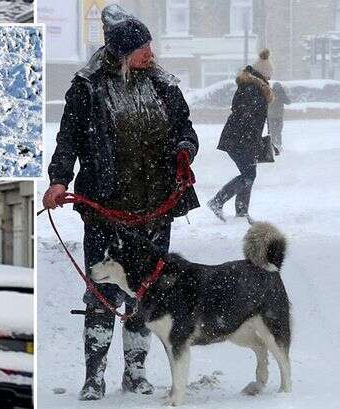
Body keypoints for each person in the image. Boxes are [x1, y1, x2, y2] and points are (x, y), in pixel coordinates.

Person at [43, 4, 199, 401]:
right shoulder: (87, 86)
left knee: (145, 292)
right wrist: (59, 180)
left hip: (156, 207)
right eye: (143, 48)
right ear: (122, 52)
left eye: (150, 44)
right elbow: (69, 140)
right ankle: (94, 376)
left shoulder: (164, 84)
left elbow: (186, 128)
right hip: (105, 210)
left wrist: (184, 149)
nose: (151, 53)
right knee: (103, 291)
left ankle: (135, 372)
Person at [208, 49, 275, 224]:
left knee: (249, 174)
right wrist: (250, 135)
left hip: (244, 139)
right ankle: (218, 201)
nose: (269, 80)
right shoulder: (251, 87)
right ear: (263, 75)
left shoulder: (254, 87)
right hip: (239, 139)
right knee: (248, 175)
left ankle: (242, 212)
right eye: (268, 77)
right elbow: (243, 112)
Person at [268, 81, 291, 154]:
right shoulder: (281, 93)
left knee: (273, 131)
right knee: (277, 131)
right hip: (278, 116)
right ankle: (277, 145)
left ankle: (273, 145)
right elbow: (288, 102)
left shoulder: (270, 93)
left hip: (271, 116)